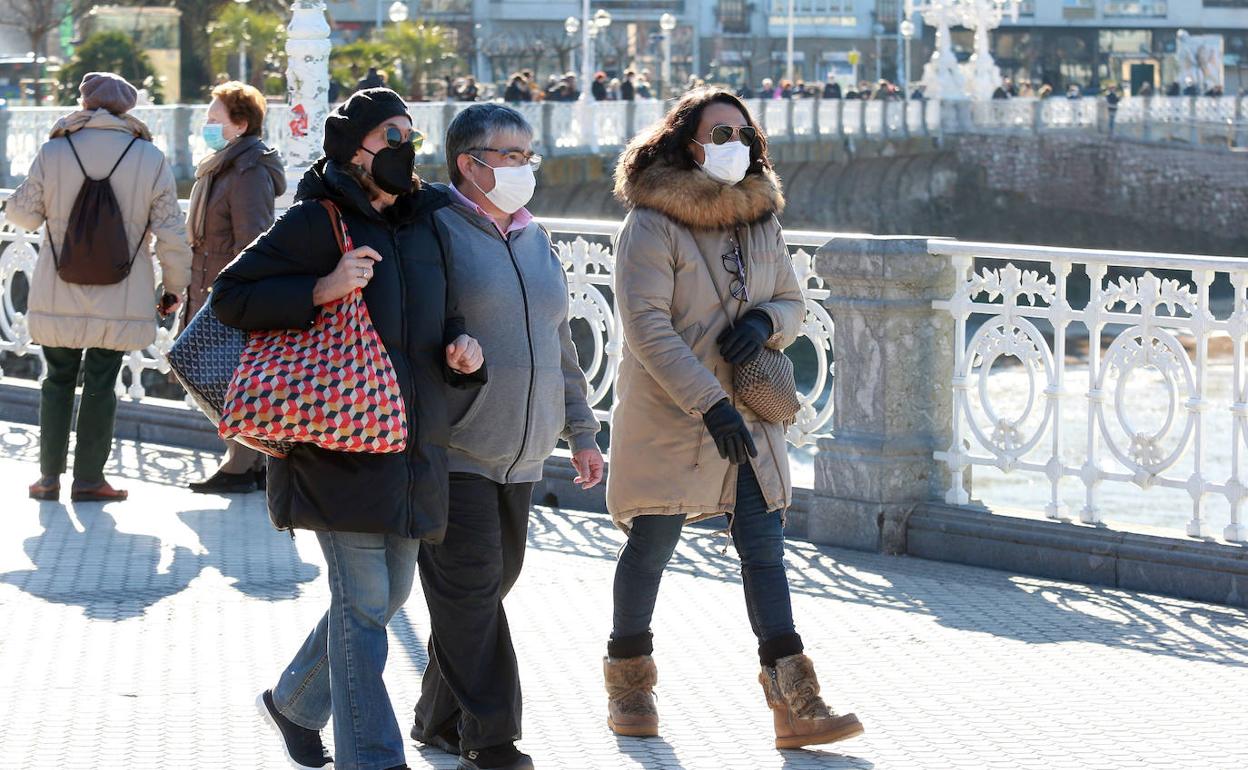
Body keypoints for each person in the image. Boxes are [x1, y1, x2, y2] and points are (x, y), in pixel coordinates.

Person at [213, 88, 486, 770]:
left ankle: (295, 703)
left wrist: (461, 348)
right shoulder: (317, 220)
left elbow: (441, 313)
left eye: (409, 135)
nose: (404, 148)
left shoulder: (426, 222)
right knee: (365, 603)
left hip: (410, 438)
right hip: (335, 438)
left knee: (387, 595)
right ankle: (371, 755)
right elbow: (231, 296)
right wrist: (319, 289)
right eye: (389, 136)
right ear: (352, 149)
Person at [602, 87, 865, 750]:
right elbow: (647, 329)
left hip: (748, 413)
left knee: (764, 550)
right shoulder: (650, 224)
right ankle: (629, 683)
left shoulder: (760, 219)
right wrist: (707, 402)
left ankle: (796, 703)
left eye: (744, 136)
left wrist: (763, 321)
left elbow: (792, 301)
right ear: (684, 142)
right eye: (720, 135)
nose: (735, 147)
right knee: (652, 545)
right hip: (674, 414)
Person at [409, 103, 604, 770]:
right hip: (455, 448)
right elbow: (412, 324)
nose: (526, 167)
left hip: (523, 455)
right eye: (512, 155)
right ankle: (491, 739)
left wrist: (582, 430)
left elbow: (561, 342)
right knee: (471, 590)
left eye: (529, 155)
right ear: (471, 163)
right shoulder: (434, 230)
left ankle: (436, 718)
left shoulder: (535, 236)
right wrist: (452, 345)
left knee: (486, 593)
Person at [12, 72, 191, 503]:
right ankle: (90, 479)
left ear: (85, 103)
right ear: (128, 108)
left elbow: (22, 217)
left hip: (59, 288)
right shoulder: (149, 157)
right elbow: (171, 233)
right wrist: (174, 286)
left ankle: (48, 478)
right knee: (101, 382)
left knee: (56, 379)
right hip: (122, 290)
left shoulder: (54, 150)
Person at [183, 81, 287, 495]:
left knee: (227, 378)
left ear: (241, 124)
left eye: (214, 120)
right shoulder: (224, 165)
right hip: (210, 287)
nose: (207, 126)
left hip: (228, 294)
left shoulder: (248, 170)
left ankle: (244, 463)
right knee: (216, 376)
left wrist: (239, 291)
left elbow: (253, 238)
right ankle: (245, 461)